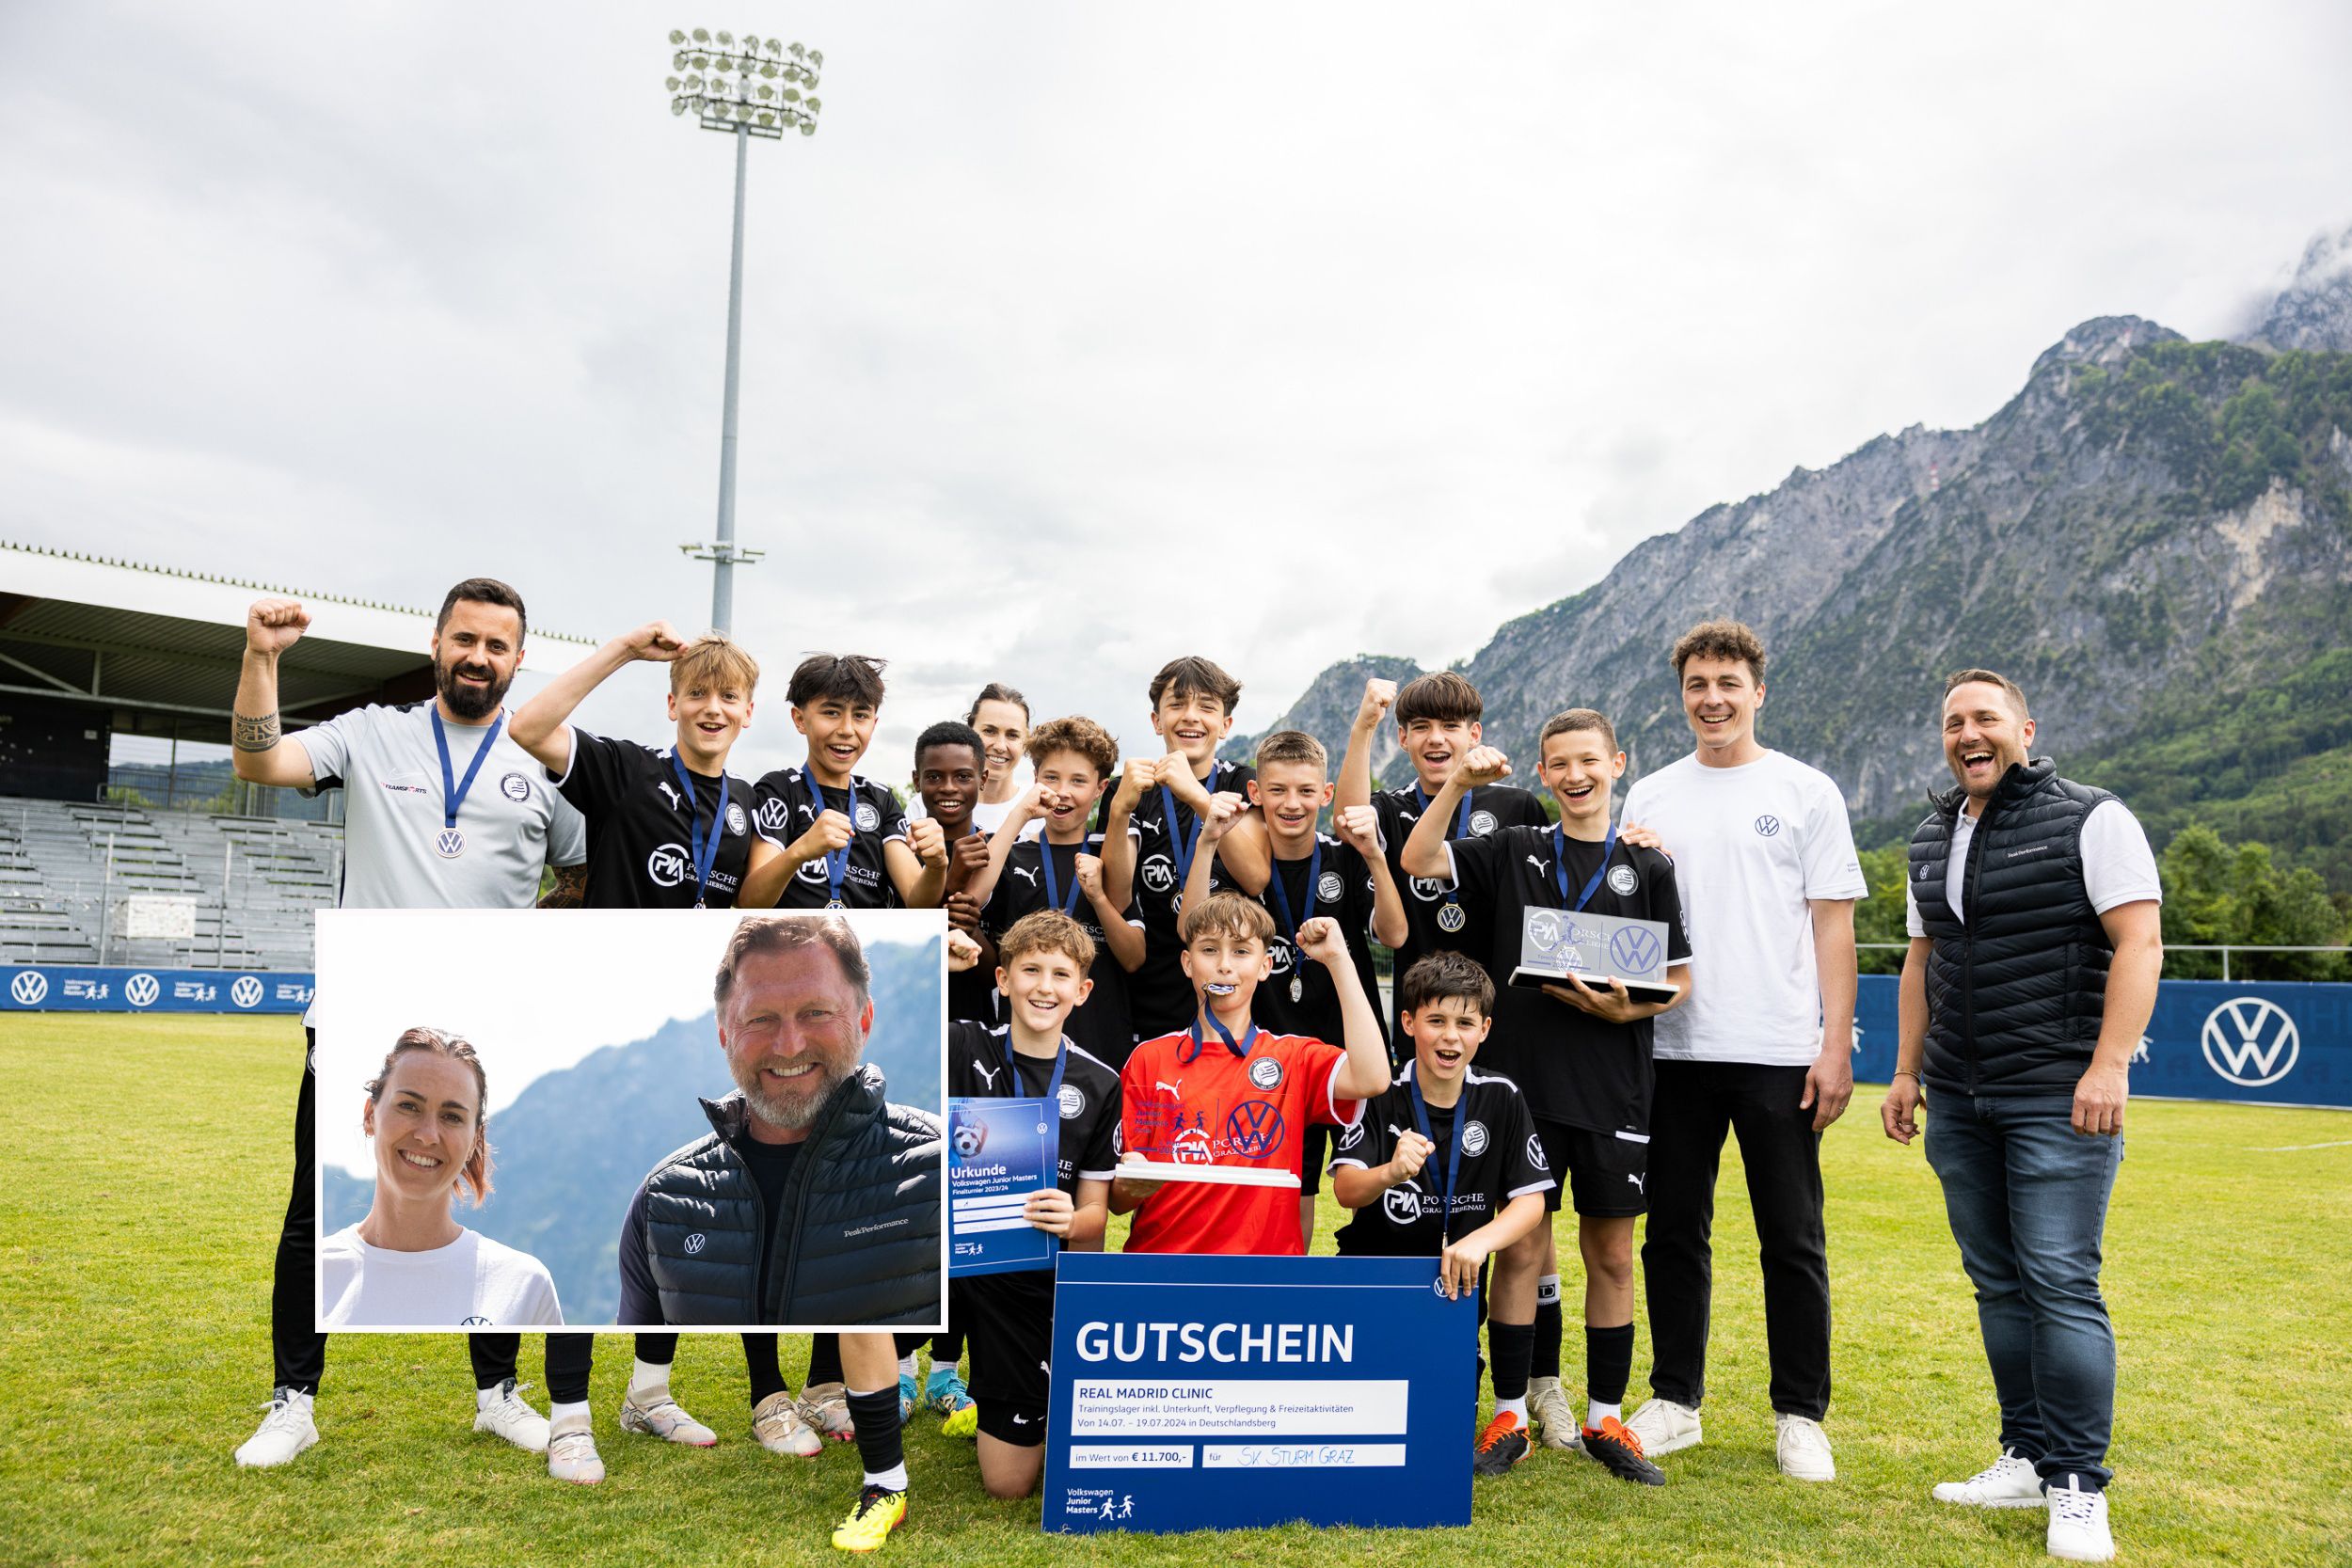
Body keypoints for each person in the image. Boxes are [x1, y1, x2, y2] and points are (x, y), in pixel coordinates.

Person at [227, 580, 596, 1482]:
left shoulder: (545, 762)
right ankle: (294, 1401)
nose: (478, 657)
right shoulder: (370, 732)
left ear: (518, 660)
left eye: (497, 645)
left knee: (494, 1202)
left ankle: (497, 1391)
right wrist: (262, 657)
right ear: (436, 643)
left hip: (487, 1023)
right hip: (363, 1011)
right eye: (464, 638)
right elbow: (258, 762)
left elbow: (585, 873)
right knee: (315, 1212)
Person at [506, 622, 827, 1462]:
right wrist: (621, 650)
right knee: (588, 1197)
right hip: (597, 1014)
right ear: (673, 701)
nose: (713, 708)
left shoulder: (750, 801)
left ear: (749, 711)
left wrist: (796, 853)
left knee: (680, 1204)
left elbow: (750, 902)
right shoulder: (625, 769)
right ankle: (569, 1417)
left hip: (684, 1026)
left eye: (729, 696)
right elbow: (529, 725)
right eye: (698, 693)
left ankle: (647, 1393)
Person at [1882, 670, 2161, 1564]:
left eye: (1986, 718)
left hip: (2057, 1092)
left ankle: (2078, 1484)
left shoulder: (2093, 816)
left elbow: (2140, 940)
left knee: (2059, 1281)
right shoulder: (1930, 836)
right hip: (1958, 1096)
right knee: (1998, 1283)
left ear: (2026, 729)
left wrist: (2109, 1064)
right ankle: (2029, 1455)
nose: (1969, 733)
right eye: (1953, 722)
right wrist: (1906, 1071)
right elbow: (1921, 959)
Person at [1401, 710, 1688, 1483]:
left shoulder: (1647, 864)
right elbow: (1418, 856)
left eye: (1588, 760)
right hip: (1521, 1088)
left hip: (1614, 1086)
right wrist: (1459, 781)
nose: (1574, 775)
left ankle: (1606, 1420)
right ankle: (1510, 1415)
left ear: (1617, 763)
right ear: (1543, 772)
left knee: (1612, 1253)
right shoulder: (1513, 846)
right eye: (1558, 763)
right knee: (1522, 1248)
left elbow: (1679, 979)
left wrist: (1626, 1008)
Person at [1617, 620, 1866, 1482]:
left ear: (1758, 691)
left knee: (1791, 1236)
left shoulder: (1806, 791)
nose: (1713, 698)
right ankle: (1675, 1400)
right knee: (1672, 1233)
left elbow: (1834, 926)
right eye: (1697, 683)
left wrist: (1834, 1045)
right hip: (1671, 1048)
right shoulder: (1650, 793)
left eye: (1728, 682)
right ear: (1682, 694)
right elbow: (1631, 919)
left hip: (1777, 1049)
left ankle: (1800, 1414)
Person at [612, 915, 940, 1552]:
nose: (789, 1044)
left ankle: (878, 1473)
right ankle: (783, 1408)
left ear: (865, 1018)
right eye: (761, 1018)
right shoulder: (664, 1198)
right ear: (723, 1032)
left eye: (816, 1012)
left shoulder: (936, 1167)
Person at [1328, 953, 1551, 1480]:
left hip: (1453, 1292)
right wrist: (1389, 1172)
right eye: (1436, 1020)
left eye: (1465, 1023)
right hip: (1376, 1287)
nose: (1450, 1037)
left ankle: (1510, 1423)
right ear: (1408, 1023)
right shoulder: (1380, 1092)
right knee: (1367, 1430)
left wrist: (1479, 1242)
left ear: (1484, 1030)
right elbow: (1345, 1190)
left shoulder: (1501, 1097)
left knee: (1440, 1433)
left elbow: (1531, 1202)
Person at [1181, 729, 1406, 1248]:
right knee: (1287, 1200)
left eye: (1306, 791)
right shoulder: (1237, 868)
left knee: (1375, 1200)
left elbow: (1394, 935)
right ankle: (1287, 1291)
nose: (1292, 804)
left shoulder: (1346, 857)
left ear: (1326, 795)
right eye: (1278, 790)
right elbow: (1191, 931)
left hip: (1351, 1059)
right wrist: (1208, 840)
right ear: (1255, 793)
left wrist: (1375, 856)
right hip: (1271, 1067)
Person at [945, 911, 1121, 1495]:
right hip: (948, 1262)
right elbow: (875, 1025)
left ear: (1082, 990)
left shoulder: (1099, 1082)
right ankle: (871, 1416)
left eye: (1060, 975)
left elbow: (1095, 1211)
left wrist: (1073, 1219)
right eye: (1030, 971)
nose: (1045, 987)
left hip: (1022, 1284)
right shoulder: (961, 1042)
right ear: (1002, 979)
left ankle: (1009, 1399)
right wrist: (935, 965)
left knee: (1008, 1485)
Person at [1111, 894, 1392, 1256]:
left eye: (1241, 951)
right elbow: (1118, 1202)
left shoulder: (1292, 1057)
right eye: (1209, 950)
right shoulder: (1149, 1060)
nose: (1224, 965)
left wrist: (1339, 961)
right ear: (1187, 963)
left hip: (1264, 1276)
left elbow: (1373, 1078)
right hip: (1163, 1269)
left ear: (1265, 966)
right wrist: (1133, 1182)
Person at [1336, 673, 1553, 1037]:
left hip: (1509, 1016)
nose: (1435, 737)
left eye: (1450, 726)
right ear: (1403, 738)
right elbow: (1347, 824)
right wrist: (1364, 726)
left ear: (1474, 734)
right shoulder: (1391, 809)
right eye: (1421, 727)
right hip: (1422, 1018)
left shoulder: (1517, 806)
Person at [322, 1027, 561, 1329]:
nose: (427, 1135)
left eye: (451, 1117)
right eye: (409, 1106)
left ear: (475, 1140)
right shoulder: (316, 1272)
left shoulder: (524, 1286)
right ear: (370, 1116)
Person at [1098, 657, 1272, 1039]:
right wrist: (1120, 810)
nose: (1191, 716)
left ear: (1225, 725)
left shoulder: (1243, 782)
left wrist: (1196, 795)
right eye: (1177, 704)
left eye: (1206, 706)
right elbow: (1116, 894)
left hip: (1232, 990)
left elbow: (1255, 878)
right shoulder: (1129, 789)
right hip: (1150, 991)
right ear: (1157, 720)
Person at [972, 716, 1145, 1068]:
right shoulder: (1011, 852)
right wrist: (1020, 815)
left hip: (1101, 1045)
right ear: (1035, 778)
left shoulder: (1110, 855)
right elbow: (975, 906)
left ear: (1100, 788)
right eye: (1051, 777)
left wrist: (1098, 897)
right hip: (1019, 1051)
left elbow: (1133, 957)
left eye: (1078, 780)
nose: (1063, 791)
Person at [738, 653, 947, 911]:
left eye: (860, 715)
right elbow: (751, 901)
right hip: (795, 936)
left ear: (874, 723)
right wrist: (800, 850)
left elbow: (918, 901)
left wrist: (937, 865)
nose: (847, 729)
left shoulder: (881, 800)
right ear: (800, 719)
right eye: (832, 712)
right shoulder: (779, 789)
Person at [911, 720, 1001, 1030]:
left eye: (963, 776)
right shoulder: (901, 853)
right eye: (934, 776)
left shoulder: (999, 855)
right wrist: (952, 881)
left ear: (983, 779)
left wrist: (970, 930)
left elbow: (997, 976)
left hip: (976, 1030)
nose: (949, 787)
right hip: (915, 1023)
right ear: (916, 781)